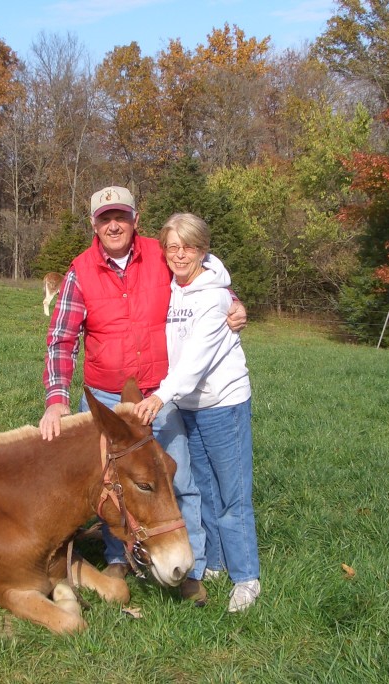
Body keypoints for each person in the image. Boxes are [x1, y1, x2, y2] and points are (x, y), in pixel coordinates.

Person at [39, 186, 245, 606]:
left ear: (135, 219)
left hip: (157, 394)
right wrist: (57, 398)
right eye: (104, 218)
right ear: (94, 224)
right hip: (106, 396)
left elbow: (204, 273)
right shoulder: (80, 271)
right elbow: (61, 338)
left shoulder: (159, 254)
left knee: (177, 477)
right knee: (111, 486)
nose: (113, 225)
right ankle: (118, 558)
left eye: (121, 216)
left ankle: (193, 565)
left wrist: (233, 301)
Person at [132, 212, 260, 613]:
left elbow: (195, 362)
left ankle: (246, 577)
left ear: (203, 250)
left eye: (188, 246)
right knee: (203, 488)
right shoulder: (174, 287)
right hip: (189, 406)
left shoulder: (214, 295)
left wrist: (159, 396)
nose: (179, 254)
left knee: (232, 494)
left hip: (223, 403)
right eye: (172, 247)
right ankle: (218, 563)